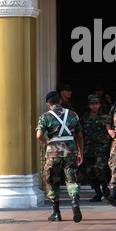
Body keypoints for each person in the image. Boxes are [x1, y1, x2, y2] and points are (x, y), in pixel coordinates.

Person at [36, 91, 84, 222]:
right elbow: (79, 135)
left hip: (53, 153)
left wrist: (49, 144)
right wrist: (80, 152)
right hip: (71, 152)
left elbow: (39, 135)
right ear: (60, 101)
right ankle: (74, 200)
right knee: (72, 180)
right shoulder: (73, 114)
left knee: (52, 181)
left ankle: (56, 213)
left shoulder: (45, 116)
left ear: (48, 104)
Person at [80, 94, 111, 202]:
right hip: (88, 149)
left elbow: (109, 131)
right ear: (89, 105)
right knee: (89, 172)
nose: (94, 106)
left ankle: (105, 189)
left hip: (100, 149)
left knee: (99, 169)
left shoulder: (105, 117)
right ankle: (98, 192)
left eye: (96, 104)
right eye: (92, 104)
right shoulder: (84, 118)